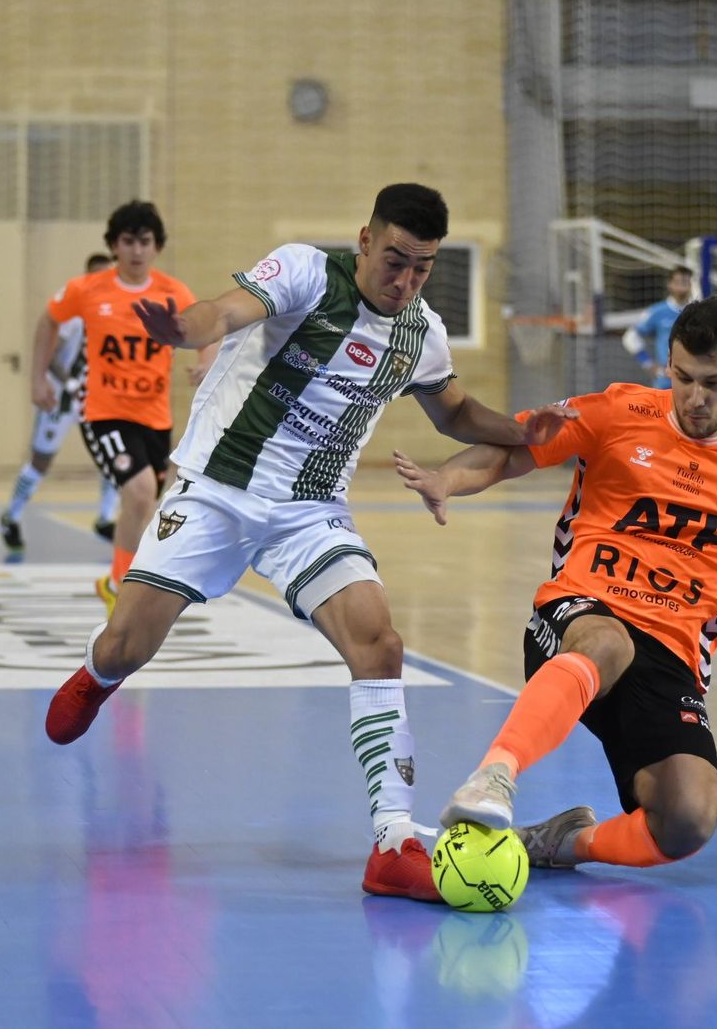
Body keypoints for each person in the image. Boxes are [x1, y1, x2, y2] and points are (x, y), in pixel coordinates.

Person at [42, 182, 575, 902]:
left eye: (423, 267)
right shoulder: (305, 271)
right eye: (395, 260)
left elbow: (453, 412)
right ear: (364, 239)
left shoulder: (421, 331)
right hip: (215, 490)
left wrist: (525, 431)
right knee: (127, 644)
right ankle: (97, 675)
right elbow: (225, 311)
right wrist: (186, 329)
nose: (406, 280)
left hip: (309, 510)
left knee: (379, 642)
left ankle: (392, 839)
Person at [395, 295, 717, 874]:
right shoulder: (618, 412)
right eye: (683, 378)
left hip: (670, 656)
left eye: (714, 383)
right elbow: (511, 451)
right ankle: (494, 775)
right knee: (608, 641)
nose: (696, 398)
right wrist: (448, 478)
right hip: (579, 617)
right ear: (668, 366)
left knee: (688, 819)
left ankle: (561, 842)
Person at [28, 201, 216, 609]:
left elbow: (208, 329)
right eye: (127, 241)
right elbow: (49, 320)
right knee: (139, 491)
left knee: (147, 502)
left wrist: (206, 363)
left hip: (154, 415)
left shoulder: (172, 291)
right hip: (104, 412)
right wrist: (38, 376)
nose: (136, 251)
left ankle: (121, 576)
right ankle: (118, 585)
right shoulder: (87, 290)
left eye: (144, 242)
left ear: (157, 247)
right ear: (114, 245)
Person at [0, 252, 121, 554]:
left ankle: (106, 518)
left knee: (115, 457)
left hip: (99, 397)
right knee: (40, 461)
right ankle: (11, 516)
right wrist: (68, 381)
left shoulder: (118, 310)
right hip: (63, 398)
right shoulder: (73, 312)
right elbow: (52, 354)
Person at [620, 264, 695, 389]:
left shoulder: (698, 312)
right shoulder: (657, 311)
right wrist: (648, 363)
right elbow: (630, 337)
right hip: (666, 381)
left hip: (694, 380)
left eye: (686, 281)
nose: (682, 285)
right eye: (678, 281)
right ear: (669, 284)